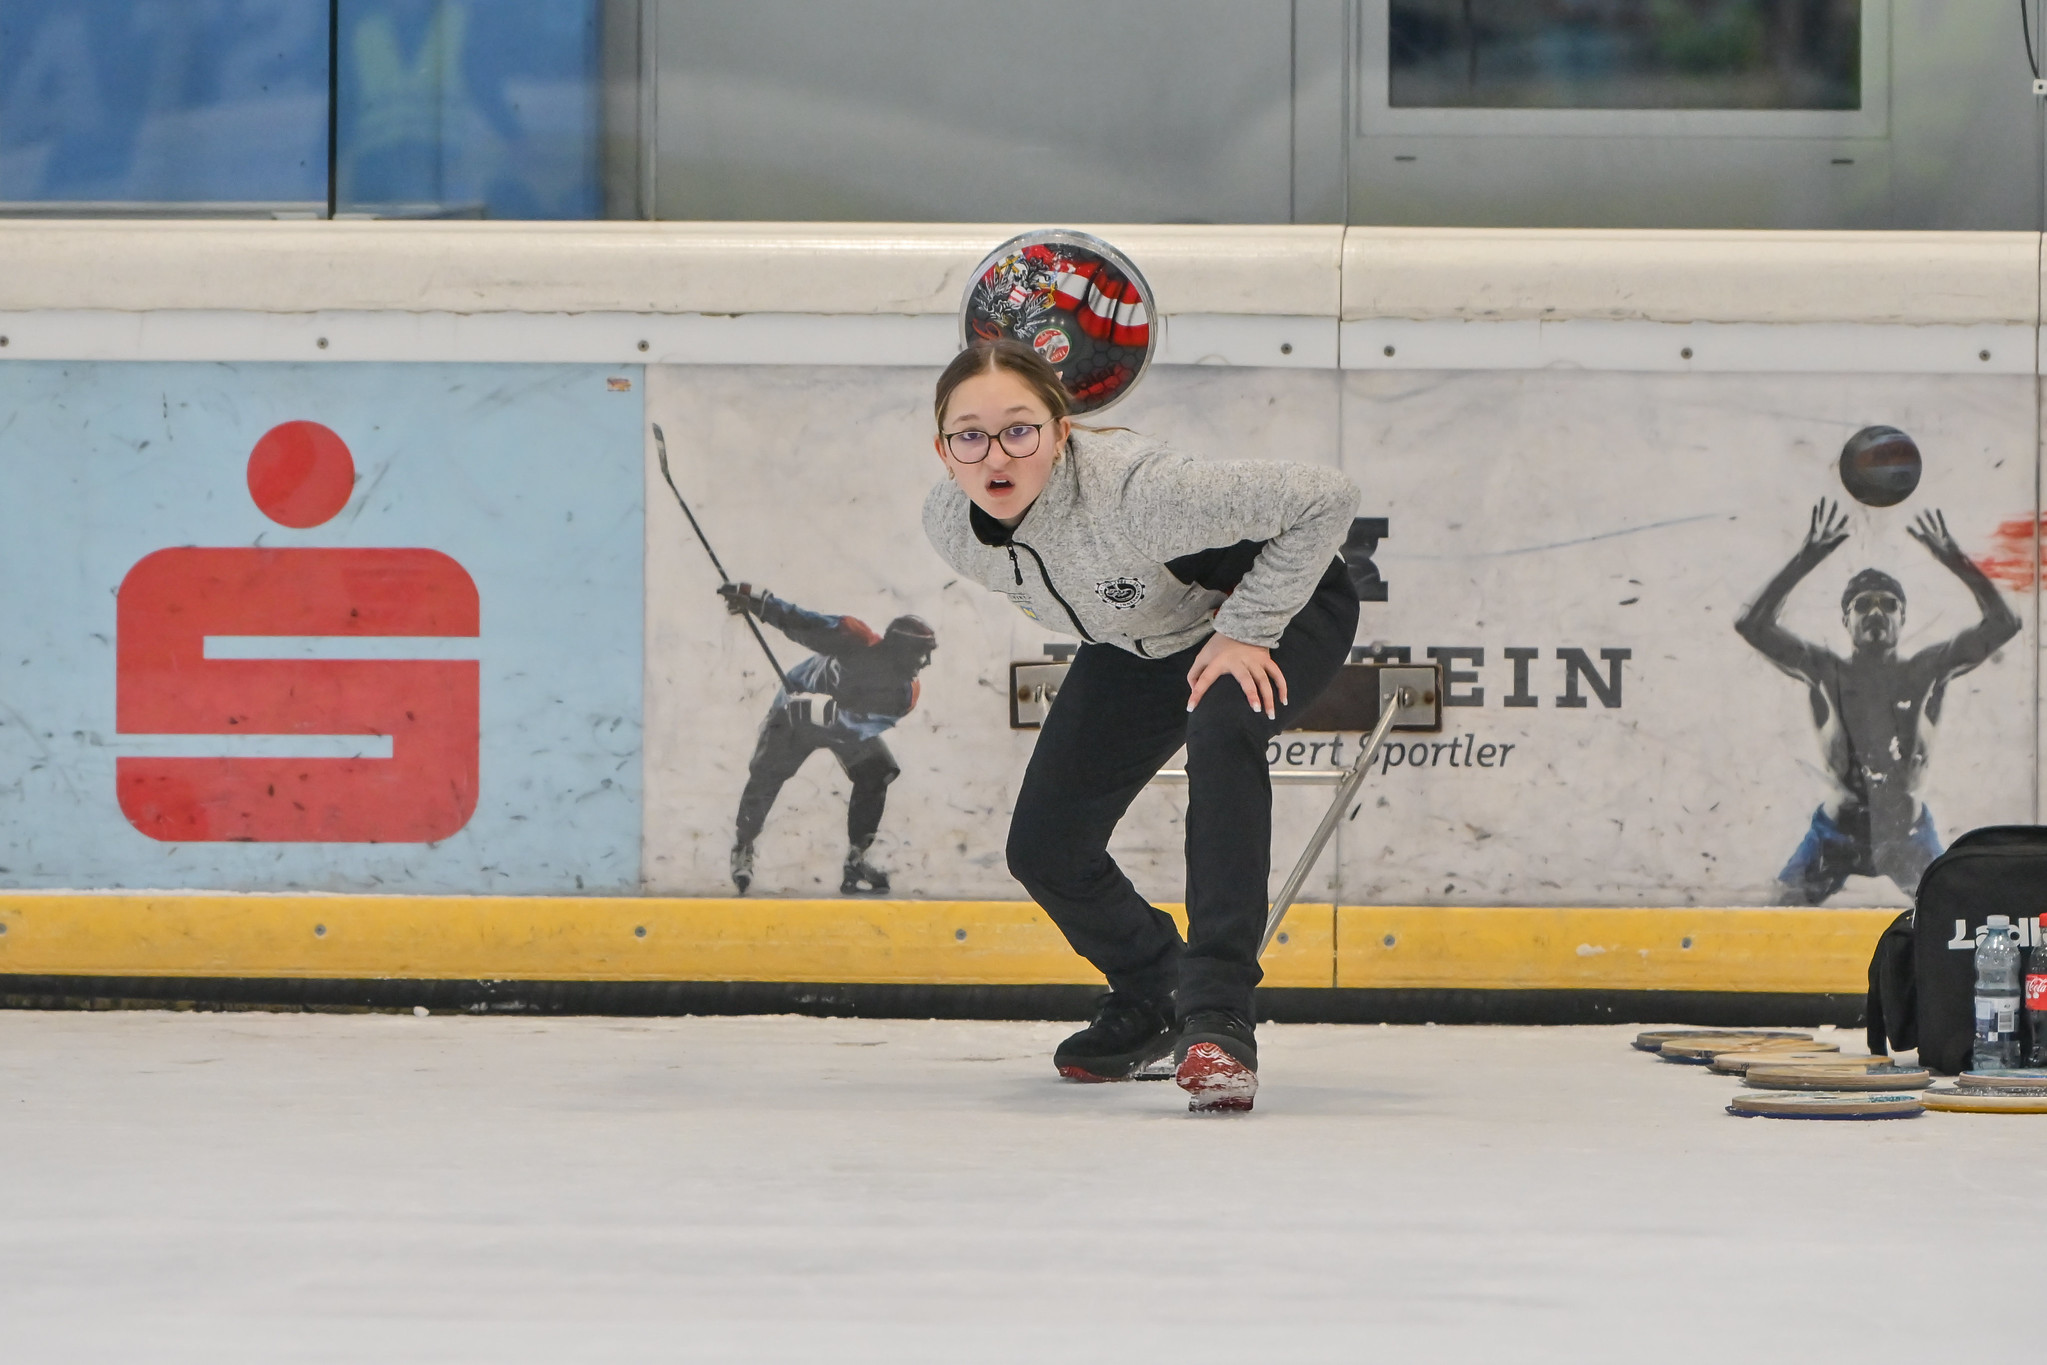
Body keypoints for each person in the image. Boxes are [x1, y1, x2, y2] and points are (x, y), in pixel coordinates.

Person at [922, 339, 1360, 1112]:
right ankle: (1151, 985)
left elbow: (1325, 495)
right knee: (1045, 847)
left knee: (1220, 733)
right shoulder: (952, 529)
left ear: (1062, 432)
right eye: (970, 435)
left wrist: (1250, 626)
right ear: (943, 449)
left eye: (1019, 429)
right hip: (1142, 640)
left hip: (1273, 608)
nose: (995, 453)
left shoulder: (1138, 492)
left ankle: (1217, 1016)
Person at [1735, 500, 2019, 903]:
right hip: (1837, 833)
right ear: (1845, 619)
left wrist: (1954, 558)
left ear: (1902, 619)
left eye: (1888, 604)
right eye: (1862, 604)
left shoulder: (1925, 670)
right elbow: (1753, 625)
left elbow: (2003, 624)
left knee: (1956, 920)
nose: (1875, 612)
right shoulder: (1825, 670)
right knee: (1772, 920)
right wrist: (1805, 558)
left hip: (1907, 835)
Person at [719, 585, 936, 895]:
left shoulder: (905, 693)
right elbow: (803, 623)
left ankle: (856, 860)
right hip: (792, 717)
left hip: (839, 724)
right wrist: (757, 603)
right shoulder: (854, 636)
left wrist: (821, 711)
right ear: (899, 649)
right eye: (921, 653)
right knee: (766, 775)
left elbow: (861, 726)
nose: (925, 662)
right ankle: (744, 842)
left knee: (877, 771)